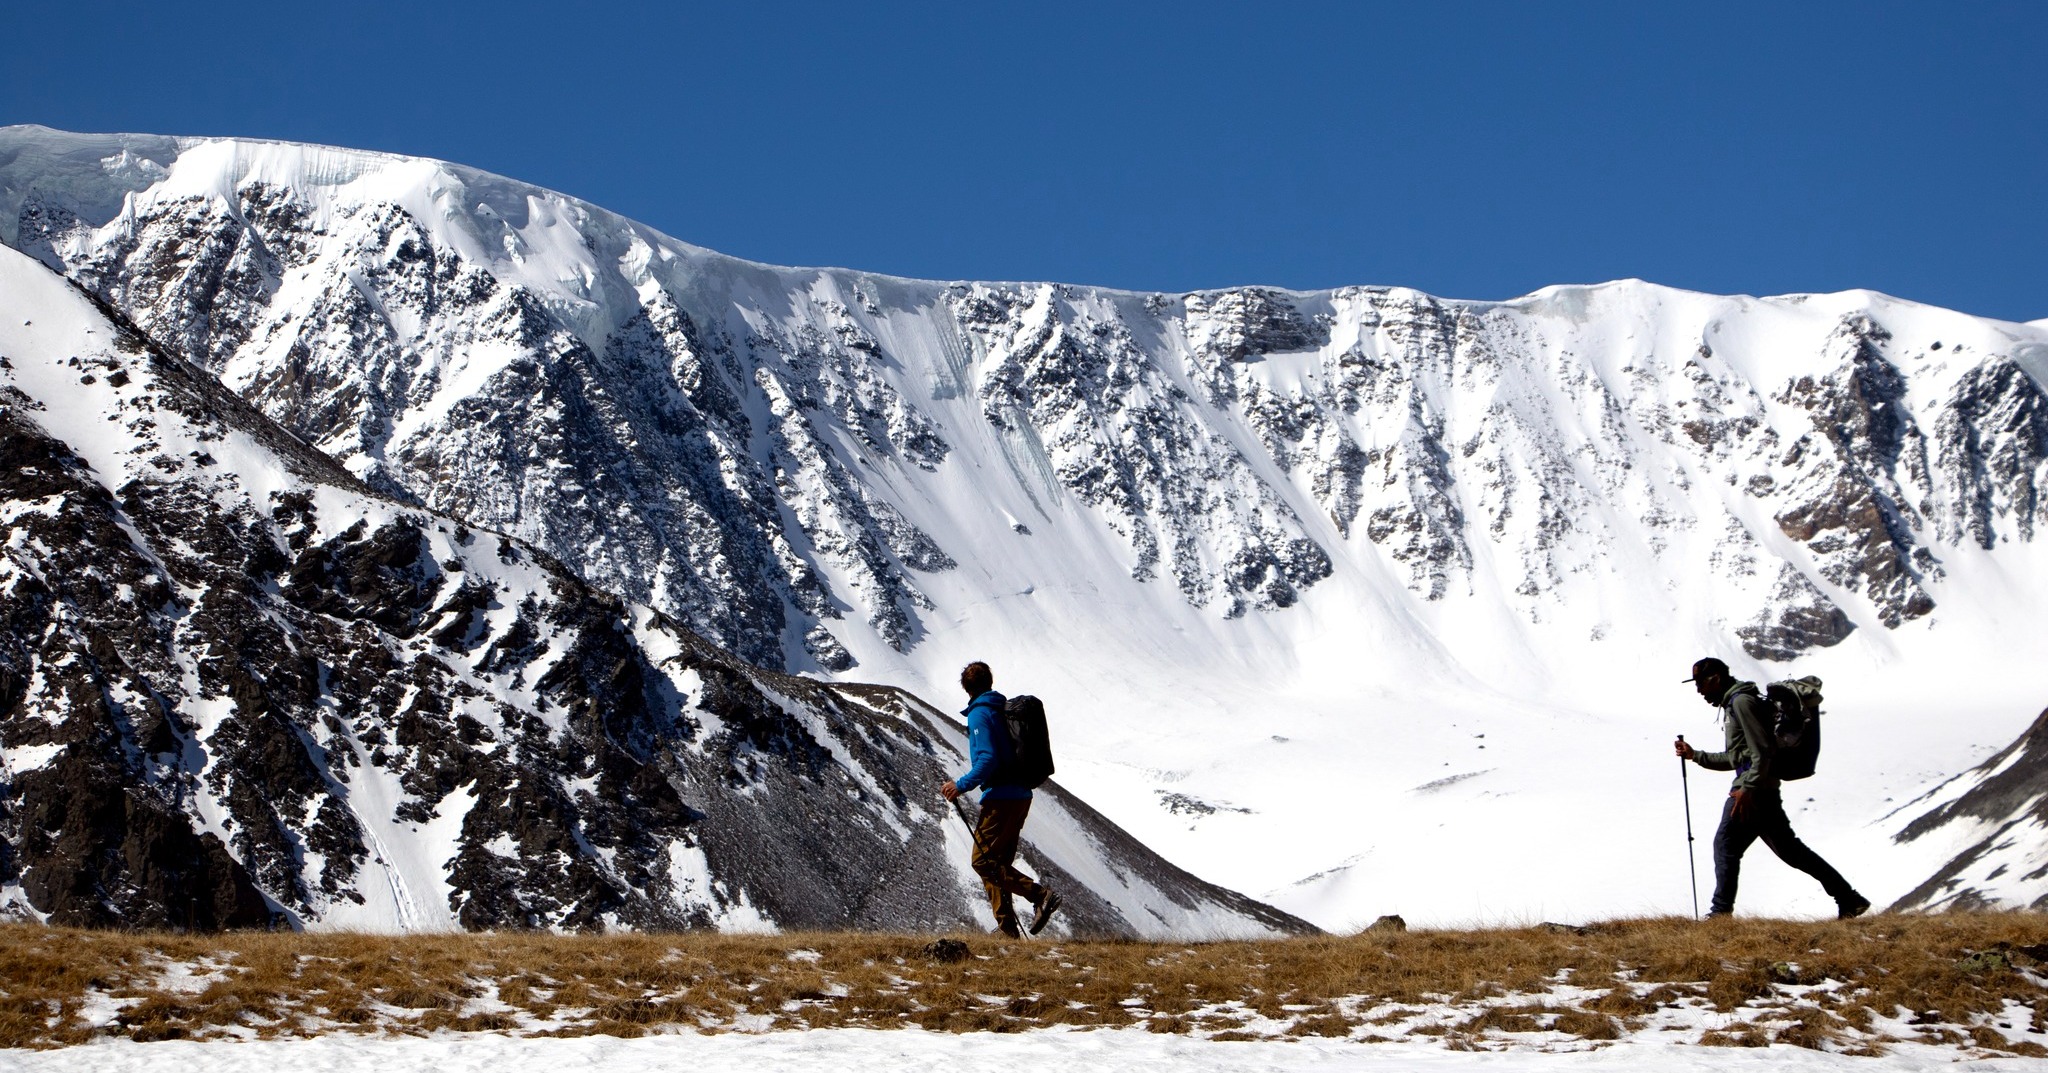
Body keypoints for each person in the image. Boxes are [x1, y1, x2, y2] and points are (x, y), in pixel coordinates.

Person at [1674, 657, 1870, 920]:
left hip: (1751, 792)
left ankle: (1720, 913)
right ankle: (1849, 898)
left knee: (1726, 845)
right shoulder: (1736, 703)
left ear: (1715, 679)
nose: (1699, 691)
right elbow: (1738, 758)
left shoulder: (1741, 703)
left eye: (1700, 684)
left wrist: (1747, 789)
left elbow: (1762, 752)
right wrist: (1695, 755)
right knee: (1791, 851)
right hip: (1761, 790)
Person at [941, 661, 1061, 938]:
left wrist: (959, 785)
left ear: (966, 688)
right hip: (1020, 796)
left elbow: (988, 758)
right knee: (997, 864)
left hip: (1001, 797)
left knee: (983, 861)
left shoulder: (980, 714)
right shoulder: (1001, 709)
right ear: (990, 682)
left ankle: (1040, 895)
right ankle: (1007, 929)